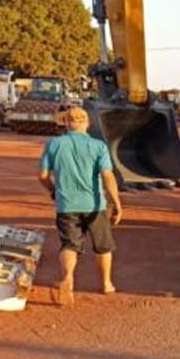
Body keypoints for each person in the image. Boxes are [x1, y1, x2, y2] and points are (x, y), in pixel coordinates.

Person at [39, 107, 123, 306]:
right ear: (86, 123)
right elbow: (108, 176)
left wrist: (54, 190)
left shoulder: (53, 144)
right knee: (103, 247)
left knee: (69, 245)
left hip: (66, 204)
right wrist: (116, 203)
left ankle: (68, 277)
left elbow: (42, 176)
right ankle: (106, 284)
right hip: (95, 205)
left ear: (66, 123)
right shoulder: (98, 146)